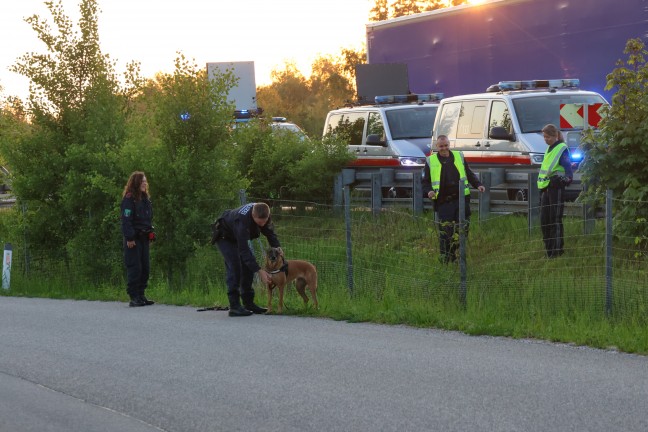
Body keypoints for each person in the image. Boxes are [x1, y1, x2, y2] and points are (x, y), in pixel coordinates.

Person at [422, 135, 486, 263]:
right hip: (443, 202)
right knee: (446, 232)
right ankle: (446, 259)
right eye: (441, 146)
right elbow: (425, 181)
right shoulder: (430, 161)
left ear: (449, 144)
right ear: (436, 147)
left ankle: (456, 254)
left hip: (461, 200)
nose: (444, 148)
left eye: (446, 145)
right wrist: (429, 191)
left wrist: (478, 184)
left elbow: (469, 173)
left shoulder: (459, 156)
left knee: (463, 229)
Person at [212, 202, 281, 316]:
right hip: (225, 237)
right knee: (235, 266)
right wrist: (260, 271)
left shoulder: (264, 213)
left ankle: (248, 303)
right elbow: (244, 250)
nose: (262, 225)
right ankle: (234, 307)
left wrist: (277, 248)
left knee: (248, 267)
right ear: (253, 216)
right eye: (259, 223)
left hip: (238, 237)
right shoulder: (242, 220)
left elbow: (270, 233)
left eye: (264, 221)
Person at [538, 124, 573, 258]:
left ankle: (557, 251)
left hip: (555, 188)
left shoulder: (561, 149)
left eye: (548, 137)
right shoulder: (549, 149)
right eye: (544, 137)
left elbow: (569, 174)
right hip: (545, 188)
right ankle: (549, 250)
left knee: (555, 220)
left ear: (555, 136)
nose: (545, 139)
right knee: (544, 221)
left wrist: (558, 182)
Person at [121, 171, 155, 307]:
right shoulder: (129, 199)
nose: (145, 183)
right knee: (135, 267)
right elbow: (126, 220)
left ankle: (141, 295)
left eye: (145, 181)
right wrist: (129, 238)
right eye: (142, 181)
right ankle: (134, 297)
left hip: (144, 238)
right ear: (136, 183)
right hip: (133, 239)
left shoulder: (146, 199)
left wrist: (150, 233)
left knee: (145, 268)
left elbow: (147, 219)